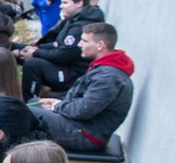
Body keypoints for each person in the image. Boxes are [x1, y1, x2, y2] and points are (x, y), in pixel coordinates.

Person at [32, 23, 133, 152]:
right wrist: (59, 103)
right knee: (32, 104)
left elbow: (83, 110)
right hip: (80, 126)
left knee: (24, 112)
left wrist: (57, 106)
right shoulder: (104, 69)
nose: (79, 44)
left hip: (87, 135)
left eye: (84, 41)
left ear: (100, 45)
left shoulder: (109, 77)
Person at [16, 0, 104, 98]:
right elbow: (56, 43)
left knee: (33, 64)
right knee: (15, 49)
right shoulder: (73, 18)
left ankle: (30, 103)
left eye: (65, 3)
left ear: (79, 3)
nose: (61, 6)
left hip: (73, 74)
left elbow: (64, 55)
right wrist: (36, 48)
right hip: (63, 63)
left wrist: (35, 53)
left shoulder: (81, 27)